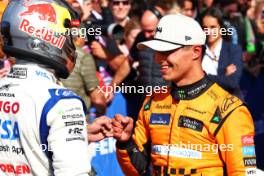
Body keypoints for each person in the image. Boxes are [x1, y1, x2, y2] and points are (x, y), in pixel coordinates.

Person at [112, 14, 257, 176]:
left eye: (167, 51)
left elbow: (244, 172)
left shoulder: (230, 110)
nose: (159, 59)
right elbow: (137, 170)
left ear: (195, 51)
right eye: (158, 52)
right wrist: (125, 143)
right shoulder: (153, 101)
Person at [0, 0, 112, 175]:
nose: (72, 44)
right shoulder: (64, 103)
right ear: (47, 35)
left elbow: (28, 134)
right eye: (67, 36)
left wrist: (77, 133)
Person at [201, 7, 244, 99]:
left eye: (213, 27)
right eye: (205, 28)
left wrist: (203, 77)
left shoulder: (233, 50)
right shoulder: (198, 50)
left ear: (221, 28)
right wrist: (223, 76)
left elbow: (232, 83)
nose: (209, 32)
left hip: (227, 103)